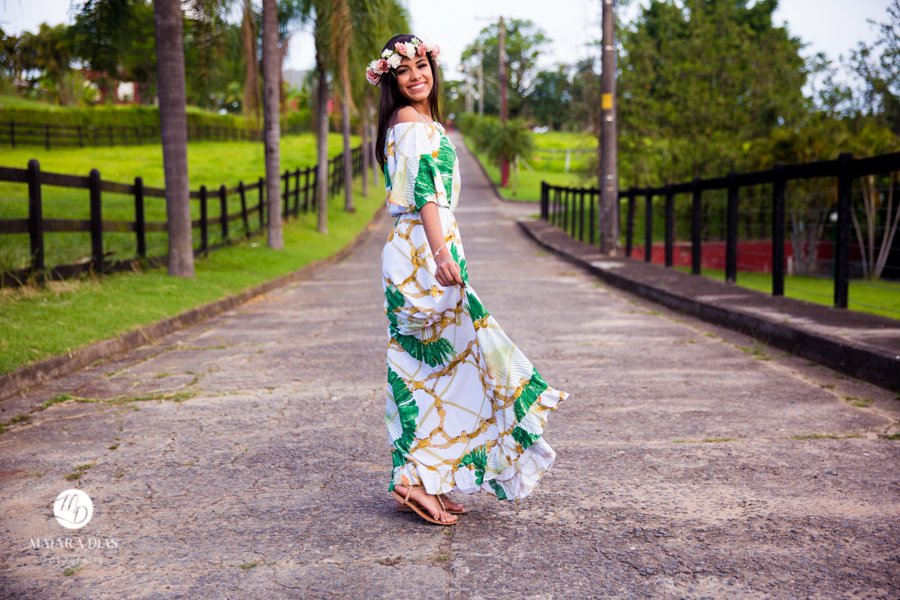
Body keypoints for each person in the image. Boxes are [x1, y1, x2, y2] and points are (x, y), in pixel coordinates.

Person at [368, 34, 569, 526]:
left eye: (422, 65)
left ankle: (427, 477)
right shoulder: (410, 122)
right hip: (423, 252)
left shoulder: (416, 122)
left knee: (439, 369)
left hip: (423, 248)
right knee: (440, 366)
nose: (416, 76)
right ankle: (413, 479)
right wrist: (440, 253)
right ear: (391, 79)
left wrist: (443, 249)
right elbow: (425, 193)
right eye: (404, 70)